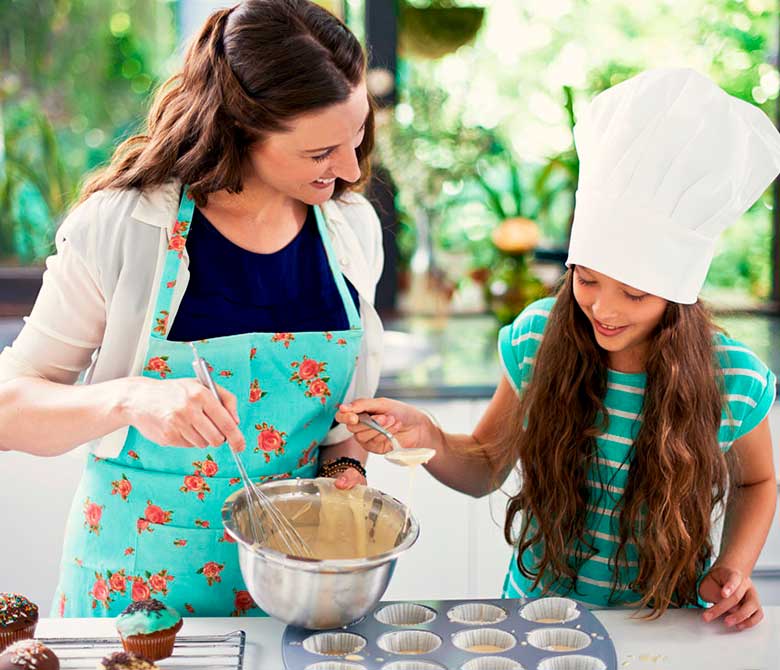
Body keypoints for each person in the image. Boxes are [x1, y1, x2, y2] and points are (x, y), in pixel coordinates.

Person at [338, 68, 779, 630]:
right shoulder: (539, 338)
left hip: (667, 622)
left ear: (679, 295)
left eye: (635, 294)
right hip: (537, 621)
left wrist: (735, 567)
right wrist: (428, 437)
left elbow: (756, 482)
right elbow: (484, 468)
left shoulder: (733, 377)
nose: (605, 309)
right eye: (587, 279)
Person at [0, 0, 385, 617]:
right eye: (319, 153)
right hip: (135, 599)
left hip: (292, 596)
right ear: (243, 129)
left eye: (358, 132)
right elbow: (9, 409)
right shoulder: (125, 225)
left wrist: (348, 475)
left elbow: (339, 432)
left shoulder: (351, 230)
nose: (347, 169)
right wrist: (129, 398)